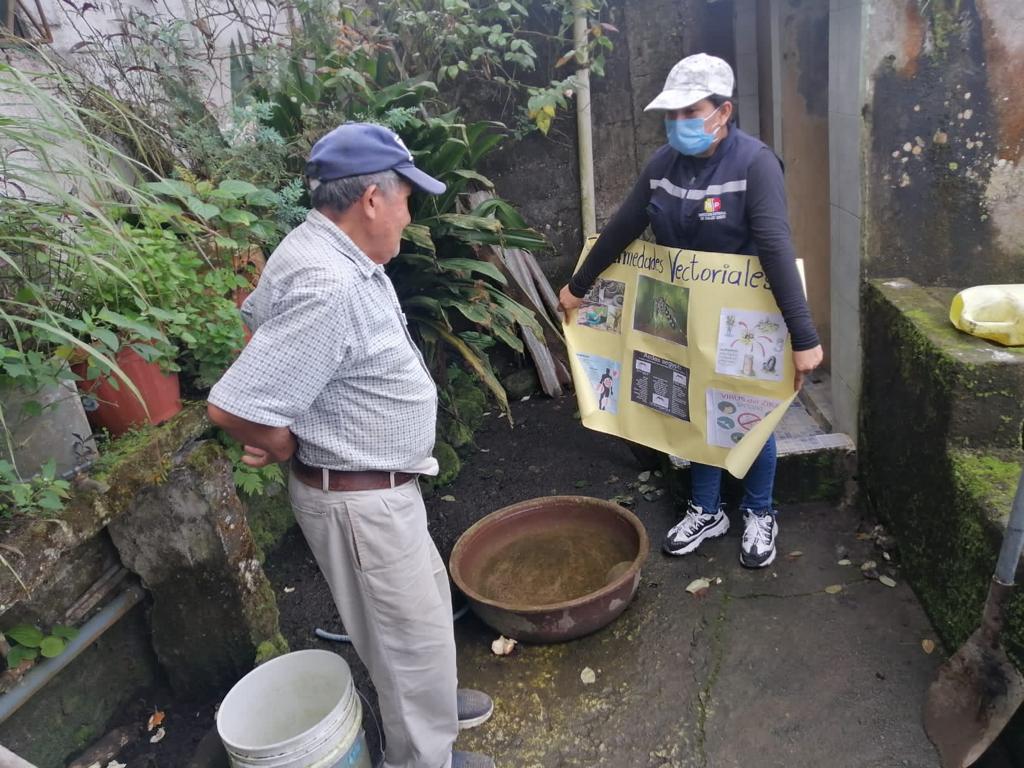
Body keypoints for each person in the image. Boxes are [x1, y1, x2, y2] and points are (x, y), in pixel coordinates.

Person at [207, 123, 495, 768]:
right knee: (404, 639)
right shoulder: (329, 283)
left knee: (418, 615)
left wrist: (280, 409)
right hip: (362, 501)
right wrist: (276, 437)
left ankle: (435, 709)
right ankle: (424, 757)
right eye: (405, 198)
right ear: (371, 199)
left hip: (380, 488)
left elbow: (258, 329)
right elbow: (230, 404)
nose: (408, 213)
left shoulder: (321, 249)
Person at [558, 53, 824, 569]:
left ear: (723, 112)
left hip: (745, 323)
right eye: (671, 114)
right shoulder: (662, 166)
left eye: (690, 112)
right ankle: (706, 509)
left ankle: (758, 511)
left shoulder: (755, 164)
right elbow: (624, 226)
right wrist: (579, 285)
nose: (679, 124)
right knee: (689, 408)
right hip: (677, 316)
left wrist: (804, 335)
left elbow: (774, 247)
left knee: (749, 416)